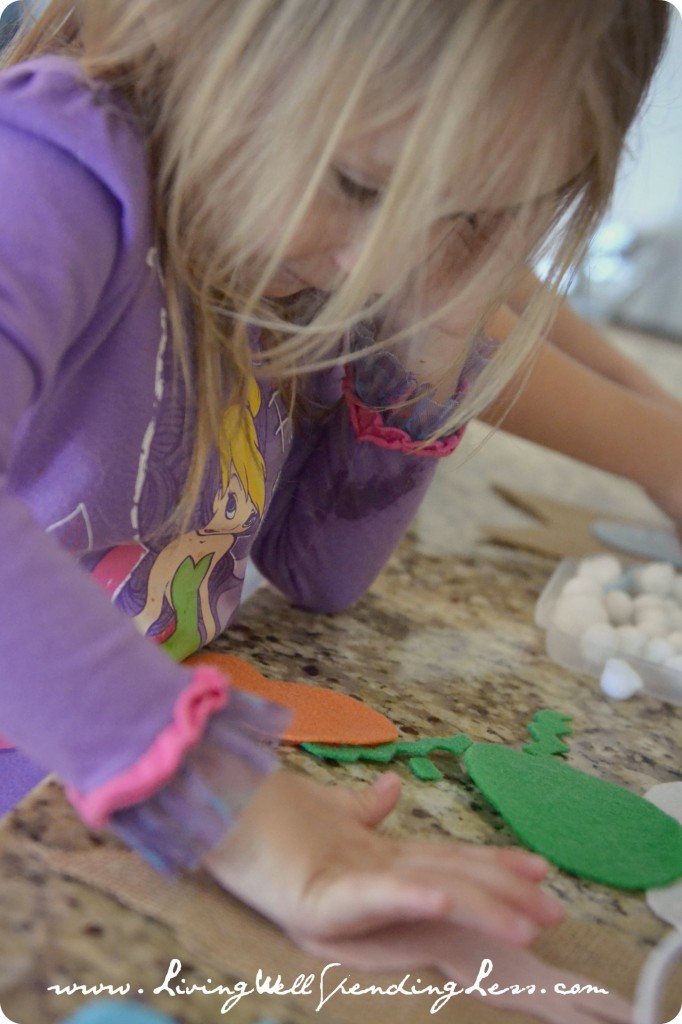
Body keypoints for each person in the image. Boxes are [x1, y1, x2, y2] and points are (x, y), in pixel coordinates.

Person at [0, 0, 674, 968]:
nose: (384, 261)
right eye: (357, 182)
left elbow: (317, 570)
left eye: (464, 218)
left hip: (99, 770)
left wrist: (436, 343)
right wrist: (235, 810)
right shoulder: (52, 168)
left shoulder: (300, 247)